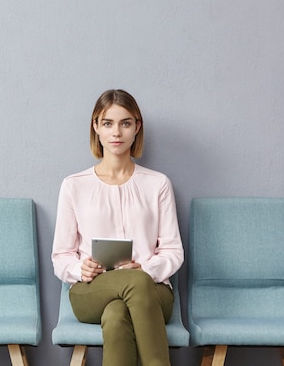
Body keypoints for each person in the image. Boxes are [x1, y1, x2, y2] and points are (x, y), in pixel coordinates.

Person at [51, 89, 184, 366]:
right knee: (128, 289)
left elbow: (173, 251)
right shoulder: (74, 185)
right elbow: (61, 256)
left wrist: (145, 269)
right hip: (91, 290)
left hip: (154, 290)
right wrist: (79, 268)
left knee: (115, 315)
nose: (117, 132)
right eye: (108, 123)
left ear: (137, 127)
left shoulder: (157, 184)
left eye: (125, 123)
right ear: (96, 127)